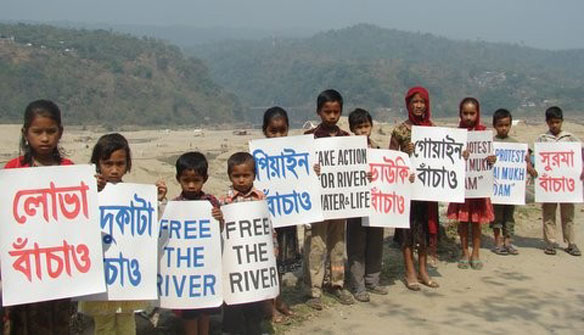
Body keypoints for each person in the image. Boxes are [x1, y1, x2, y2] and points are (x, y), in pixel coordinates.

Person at [79, 133, 167, 335]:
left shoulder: (132, 193)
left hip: (127, 275)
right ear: (97, 163)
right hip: (103, 275)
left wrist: (157, 201)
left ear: (128, 164)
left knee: (127, 322)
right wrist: (90, 193)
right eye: (108, 163)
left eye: (120, 163)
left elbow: (144, 227)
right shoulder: (89, 192)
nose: (114, 169)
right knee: (104, 325)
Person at [4, 99, 74, 335]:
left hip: (60, 266)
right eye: (37, 132)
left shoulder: (70, 170)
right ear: (26, 133)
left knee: (61, 322)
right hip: (26, 268)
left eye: (51, 131)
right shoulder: (13, 171)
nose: (44, 138)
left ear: (60, 132)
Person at [303, 89, 355, 309]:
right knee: (315, 244)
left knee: (337, 245)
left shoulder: (347, 139)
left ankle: (337, 283)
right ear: (318, 112)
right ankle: (314, 289)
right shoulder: (309, 139)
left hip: (339, 203)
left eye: (336, 111)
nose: (331, 116)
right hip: (317, 203)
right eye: (327, 111)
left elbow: (355, 167)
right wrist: (310, 168)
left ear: (341, 112)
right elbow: (299, 170)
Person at [389, 87, 440, 290]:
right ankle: (409, 271)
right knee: (408, 233)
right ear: (408, 104)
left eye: (422, 102)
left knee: (425, 231)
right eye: (414, 102)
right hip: (407, 191)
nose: (418, 105)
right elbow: (391, 159)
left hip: (427, 191)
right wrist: (404, 153)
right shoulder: (400, 130)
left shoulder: (433, 130)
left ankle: (423, 270)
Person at [221, 152, 275, 335]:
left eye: (246, 175)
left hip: (254, 260)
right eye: (236, 176)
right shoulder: (224, 200)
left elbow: (267, 225)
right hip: (235, 262)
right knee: (233, 300)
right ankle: (231, 330)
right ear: (230, 176)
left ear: (254, 175)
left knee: (254, 298)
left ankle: (255, 328)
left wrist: (272, 247)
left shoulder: (261, 198)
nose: (241, 180)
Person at [170, 152, 223, 335]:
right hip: (186, 272)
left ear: (205, 179)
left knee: (205, 310)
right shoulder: (174, 205)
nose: (191, 185)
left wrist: (220, 218)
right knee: (190, 312)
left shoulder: (211, 203)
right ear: (178, 179)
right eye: (186, 180)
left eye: (196, 180)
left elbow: (221, 231)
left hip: (205, 269)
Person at [447, 97, 496, 270]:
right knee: (462, 222)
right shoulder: (456, 135)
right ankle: (463, 252)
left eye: (472, 113)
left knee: (476, 222)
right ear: (460, 114)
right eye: (465, 113)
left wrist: (491, 159)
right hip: (462, 186)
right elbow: (449, 157)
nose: (468, 117)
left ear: (477, 113)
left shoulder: (484, 133)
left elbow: (491, 158)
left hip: (478, 186)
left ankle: (475, 253)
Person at [345, 108, 387, 302]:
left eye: (366, 126)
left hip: (377, 204)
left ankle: (373, 280)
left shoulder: (378, 150)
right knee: (356, 245)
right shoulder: (347, 152)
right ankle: (357, 284)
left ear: (371, 126)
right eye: (359, 127)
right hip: (355, 206)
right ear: (352, 129)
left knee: (376, 242)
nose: (363, 130)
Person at [261, 107, 298, 322]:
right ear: (264, 131)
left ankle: (279, 298)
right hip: (266, 221)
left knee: (281, 261)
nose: (277, 136)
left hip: (286, 217)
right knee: (267, 262)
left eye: (282, 131)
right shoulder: (257, 157)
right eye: (272, 131)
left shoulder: (293, 153)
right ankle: (268, 305)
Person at [536, 106, 582, 256]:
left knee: (568, 214)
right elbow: (535, 158)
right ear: (547, 123)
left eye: (557, 122)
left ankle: (571, 242)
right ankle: (550, 242)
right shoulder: (542, 139)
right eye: (551, 122)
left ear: (562, 121)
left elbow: (581, 154)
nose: (554, 125)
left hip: (567, 186)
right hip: (549, 186)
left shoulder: (571, 138)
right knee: (548, 213)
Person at [490, 109, 537, 256]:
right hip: (496, 189)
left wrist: (529, 167)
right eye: (500, 125)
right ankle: (498, 242)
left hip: (511, 189)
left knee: (509, 216)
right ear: (494, 125)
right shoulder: (491, 144)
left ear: (510, 125)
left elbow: (525, 161)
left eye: (506, 125)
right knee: (497, 216)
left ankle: (508, 242)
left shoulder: (516, 145)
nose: (503, 128)